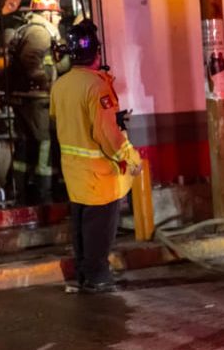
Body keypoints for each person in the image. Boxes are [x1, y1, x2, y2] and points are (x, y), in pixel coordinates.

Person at [50, 20, 141, 293]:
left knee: (80, 223)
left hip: (74, 171)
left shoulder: (60, 85)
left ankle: (84, 274)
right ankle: (98, 276)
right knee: (100, 228)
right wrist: (131, 158)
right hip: (98, 173)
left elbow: (61, 124)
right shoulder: (97, 87)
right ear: (97, 54)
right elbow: (106, 135)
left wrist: (113, 119)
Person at [9, 0, 71, 205]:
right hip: (36, 100)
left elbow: (50, 63)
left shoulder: (33, 30)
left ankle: (21, 192)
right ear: (47, 14)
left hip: (29, 99)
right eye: (57, 13)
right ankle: (44, 195)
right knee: (45, 144)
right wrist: (45, 81)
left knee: (25, 146)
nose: (60, 18)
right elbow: (32, 62)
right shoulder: (39, 33)